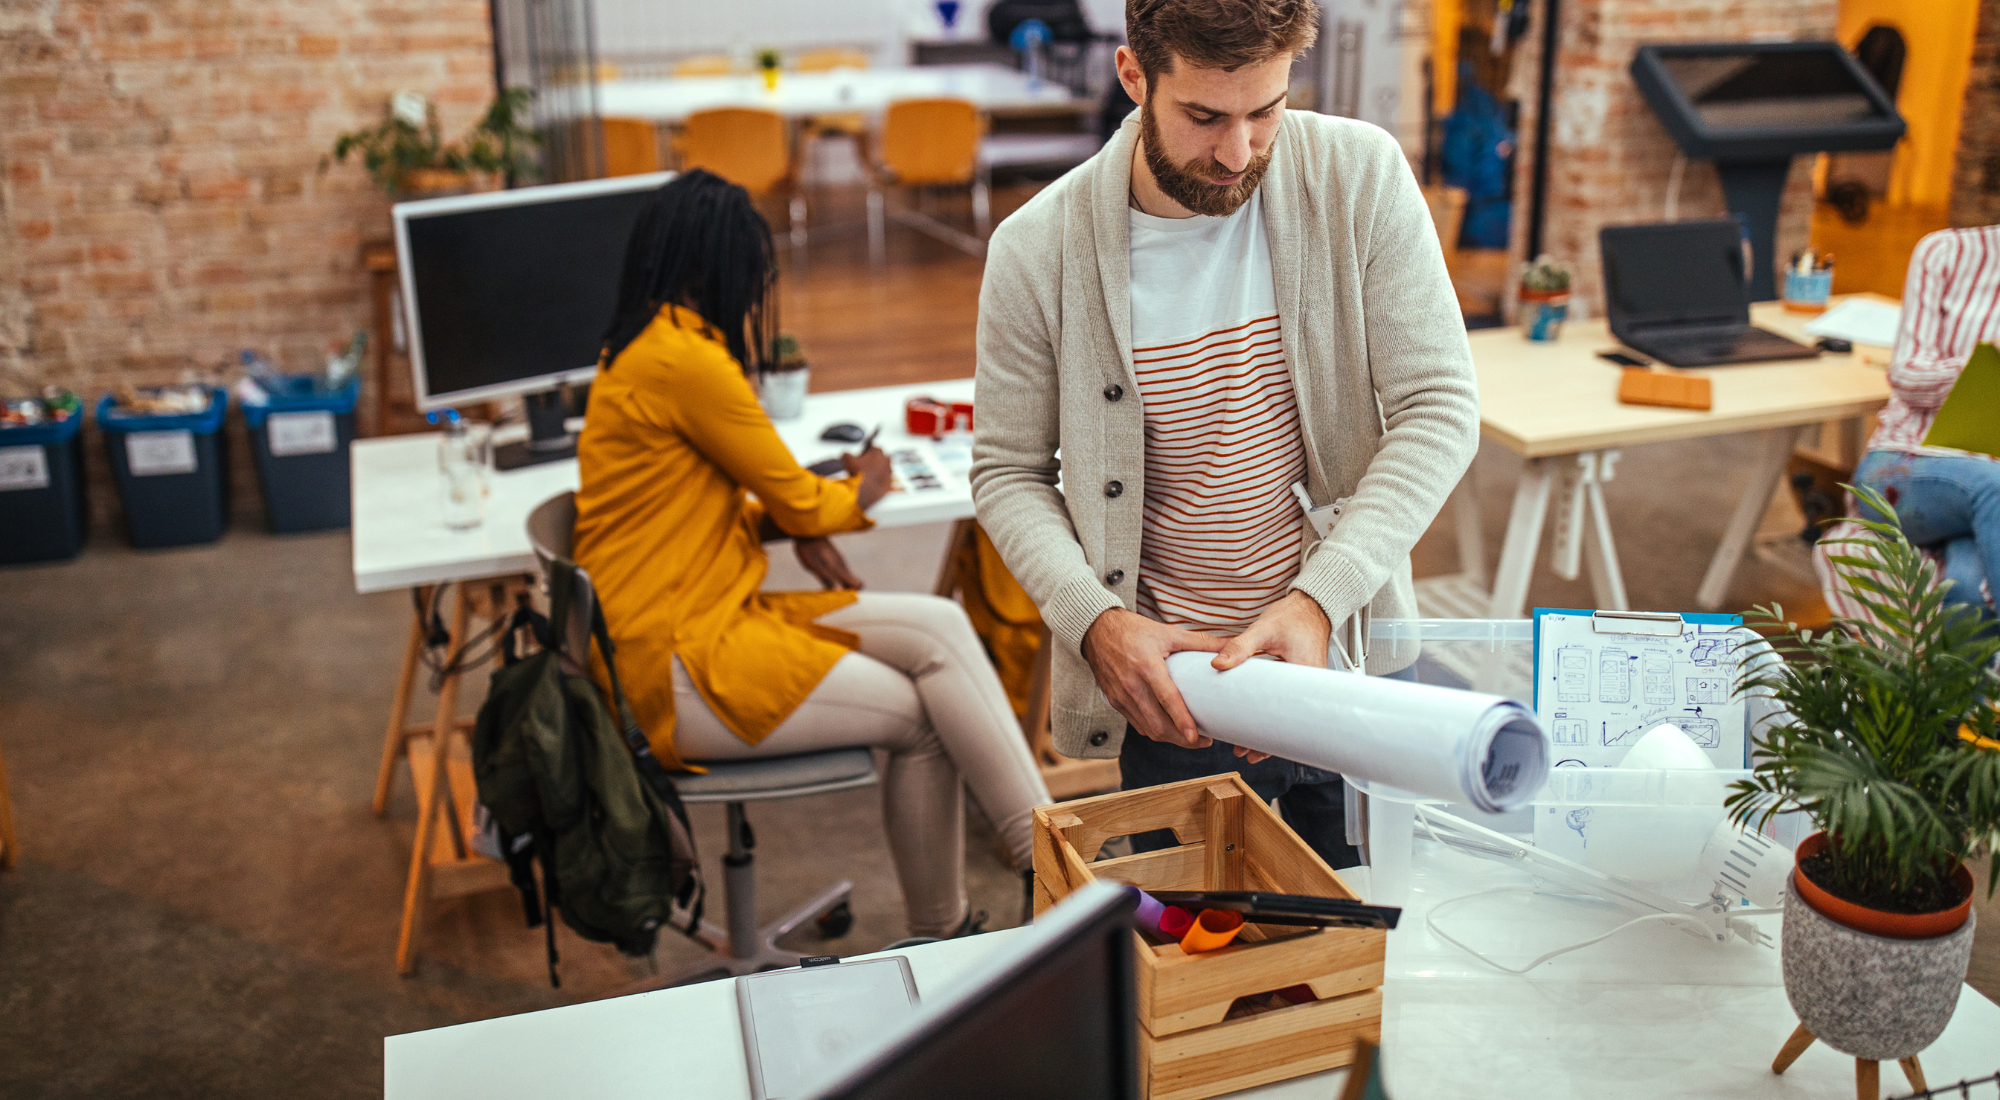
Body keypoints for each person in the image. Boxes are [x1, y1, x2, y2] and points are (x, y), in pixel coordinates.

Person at [970, 0, 1479, 867]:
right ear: (1134, 75)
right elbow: (1008, 472)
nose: (1238, 153)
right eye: (1204, 116)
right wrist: (1092, 620)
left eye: (1265, 111)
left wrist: (1321, 598)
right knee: (1202, 975)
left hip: (1343, 661)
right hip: (1173, 690)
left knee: (1361, 954)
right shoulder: (1036, 250)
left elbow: (1440, 407)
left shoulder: (1360, 176)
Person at [573, 170, 1051, 939]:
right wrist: (860, 491)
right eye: (754, 272)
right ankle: (968, 921)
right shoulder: (686, 362)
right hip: (674, 660)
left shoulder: (639, 347)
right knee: (921, 718)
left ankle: (1047, 861)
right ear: (716, 267)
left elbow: (708, 507)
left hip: (698, 611)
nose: (759, 288)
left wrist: (798, 524)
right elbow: (797, 494)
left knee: (936, 628)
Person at [1844, 224, 2000, 622]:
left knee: (1969, 589)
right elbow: (1907, 376)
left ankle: (1964, 688)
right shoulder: (1947, 253)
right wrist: (1984, 361)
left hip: (1984, 494)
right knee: (1992, 486)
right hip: (1905, 462)